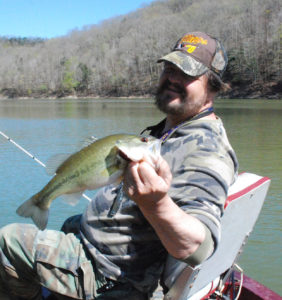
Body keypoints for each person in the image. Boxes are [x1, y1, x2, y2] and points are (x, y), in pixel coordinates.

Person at [0, 32, 238, 300]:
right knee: (69, 222)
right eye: (169, 69)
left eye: (187, 73)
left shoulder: (207, 150)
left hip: (111, 276)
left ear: (214, 86)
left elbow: (198, 246)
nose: (172, 78)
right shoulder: (171, 129)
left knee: (7, 242)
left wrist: (156, 204)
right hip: (96, 247)